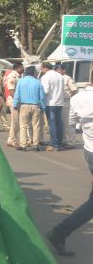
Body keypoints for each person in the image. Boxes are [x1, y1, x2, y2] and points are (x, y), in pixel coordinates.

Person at [46, 83, 93, 256]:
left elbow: (73, 122)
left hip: (89, 151)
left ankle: (60, 232)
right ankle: (60, 232)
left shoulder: (77, 98)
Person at [13, 66, 46, 151]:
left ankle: (23, 145)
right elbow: (42, 96)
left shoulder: (20, 81)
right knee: (36, 126)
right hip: (36, 105)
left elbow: (17, 94)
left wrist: (15, 104)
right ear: (34, 73)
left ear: (26, 73)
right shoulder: (38, 82)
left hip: (24, 106)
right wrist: (43, 107)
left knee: (23, 126)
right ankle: (35, 144)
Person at [40, 62, 66, 151]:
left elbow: (45, 91)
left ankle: (54, 145)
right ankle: (59, 143)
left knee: (52, 124)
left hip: (50, 103)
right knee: (59, 123)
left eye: (42, 68)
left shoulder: (46, 77)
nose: (41, 71)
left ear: (45, 68)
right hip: (59, 102)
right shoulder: (60, 76)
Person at [58, 65, 79, 146]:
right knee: (62, 123)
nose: (58, 71)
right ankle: (64, 140)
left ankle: (71, 142)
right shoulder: (58, 78)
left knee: (68, 123)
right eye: (57, 70)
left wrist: (71, 99)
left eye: (59, 70)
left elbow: (74, 90)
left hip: (66, 102)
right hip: (59, 102)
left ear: (64, 70)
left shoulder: (68, 79)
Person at [5, 62, 24, 147]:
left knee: (17, 121)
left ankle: (14, 138)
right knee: (15, 121)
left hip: (18, 100)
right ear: (17, 68)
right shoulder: (12, 76)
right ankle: (11, 139)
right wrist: (17, 101)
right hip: (14, 100)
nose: (23, 69)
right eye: (21, 67)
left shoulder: (19, 76)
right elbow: (12, 90)